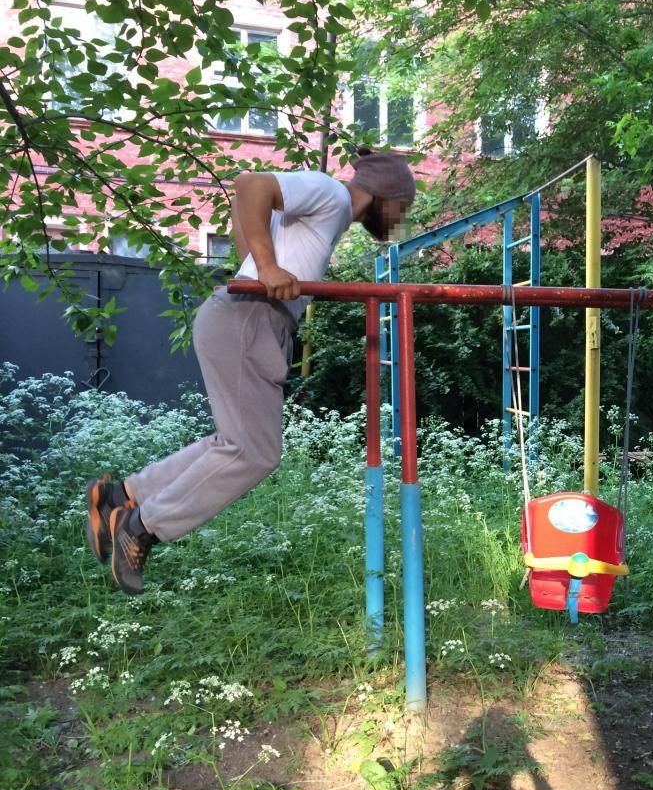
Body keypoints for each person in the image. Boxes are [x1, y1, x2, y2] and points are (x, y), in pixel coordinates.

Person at [85, 149, 416, 595]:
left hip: (251, 318)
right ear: (387, 196)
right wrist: (264, 268)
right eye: (404, 207)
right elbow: (250, 185)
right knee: (254, 452)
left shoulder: (329, 214)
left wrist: (257, 264)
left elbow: (246, 193)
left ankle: (122, 495)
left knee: (236, 444)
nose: (400, 218)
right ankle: (140, 526)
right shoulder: (331, 194)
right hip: (250, 317)